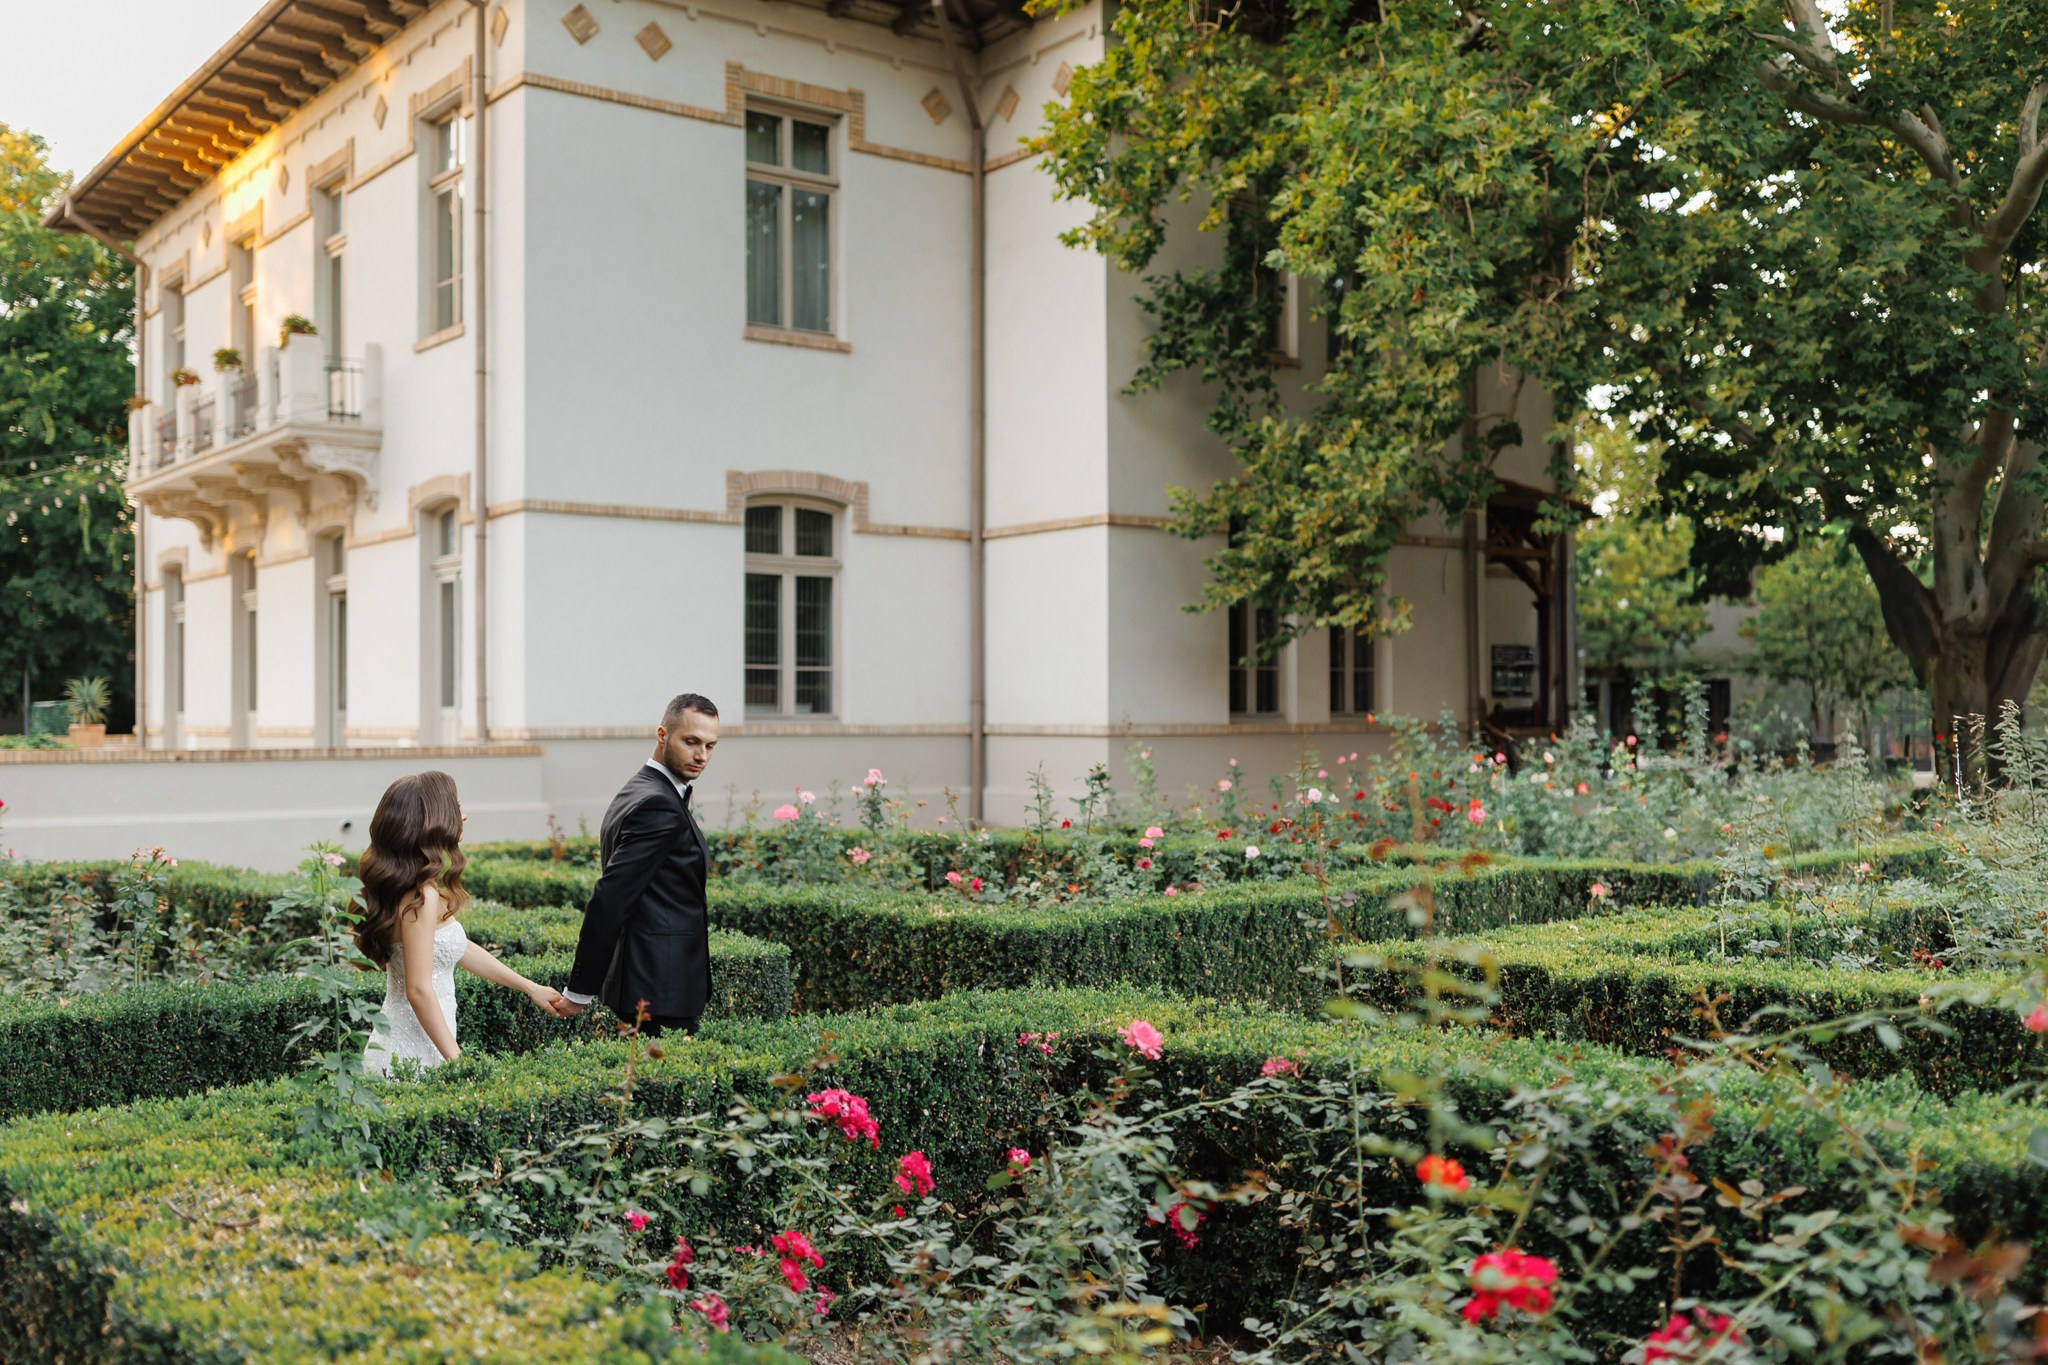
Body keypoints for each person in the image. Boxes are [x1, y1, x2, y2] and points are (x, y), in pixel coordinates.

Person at [355, 770, 574, 1077]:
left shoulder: (413, 888)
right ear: (433, 818)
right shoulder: (420, 896)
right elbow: (418, 990)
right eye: (457, 807)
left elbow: (456, 947)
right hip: (411, 1052)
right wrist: (459, 1063)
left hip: (422, 1042)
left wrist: (530, 987)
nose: (465, 816)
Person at [559, 693, 718, 1037]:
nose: (701, 756)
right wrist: (580, 989)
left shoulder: (639, 788)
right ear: (663, 735)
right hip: (660, 995)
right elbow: (611, 897)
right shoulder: (657, 804)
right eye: (691, 742)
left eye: (709, 746)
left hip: (652, 988)